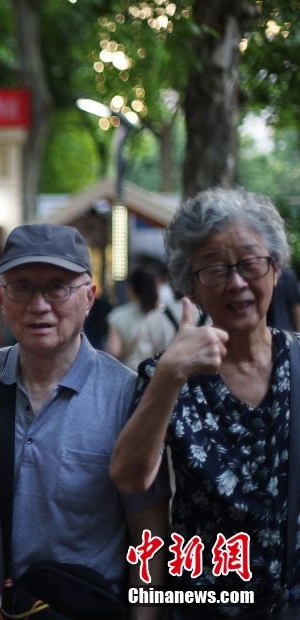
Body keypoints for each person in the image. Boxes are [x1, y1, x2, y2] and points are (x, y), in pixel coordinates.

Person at [0, 223, 169, 620]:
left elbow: (149, 532)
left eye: (57, 287)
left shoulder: (124, 394)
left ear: (89, 298)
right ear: (1, 298)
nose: (38, 305)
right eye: (22, 287)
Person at [111, 188, 299, 617]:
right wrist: (170, 376)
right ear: (191, 285)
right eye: (214, 269)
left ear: (273, 269)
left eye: (250, 263)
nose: (236, 283)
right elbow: (129, 478)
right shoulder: (167, 373)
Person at [106, 266, 159, 369]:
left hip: (132, 375)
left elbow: (113, 351)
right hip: (159, 377)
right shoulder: (163, 315)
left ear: (131, 289)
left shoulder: (118, 315)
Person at [268, 265, 300, 332]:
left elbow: (296, 308)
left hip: (285, 334)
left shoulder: (287, 276)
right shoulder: (288, 275)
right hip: (269, 333)